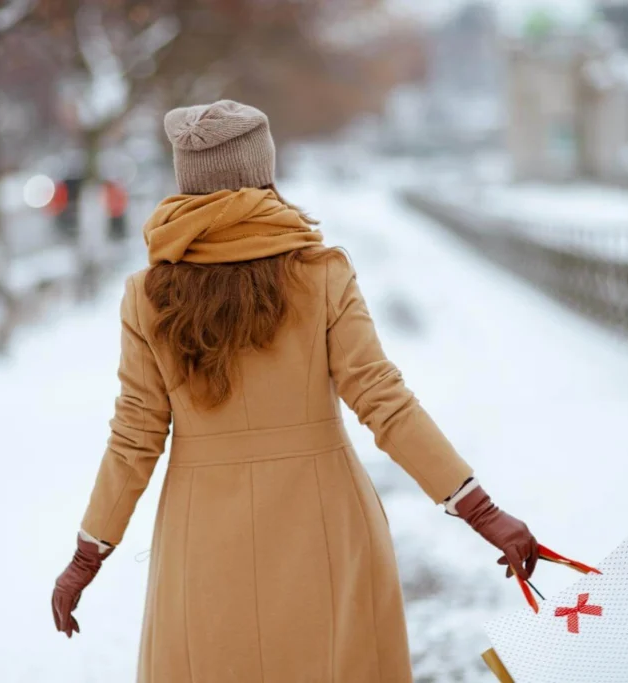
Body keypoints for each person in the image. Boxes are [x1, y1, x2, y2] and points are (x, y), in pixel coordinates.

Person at [52, 100, 539, 682]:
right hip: (325, 527)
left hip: (203, 536)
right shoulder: (322, 273)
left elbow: (135, 437)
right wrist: (481, 511)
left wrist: (87, 555)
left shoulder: (148, 295)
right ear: (263, 171)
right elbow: (384, 399)